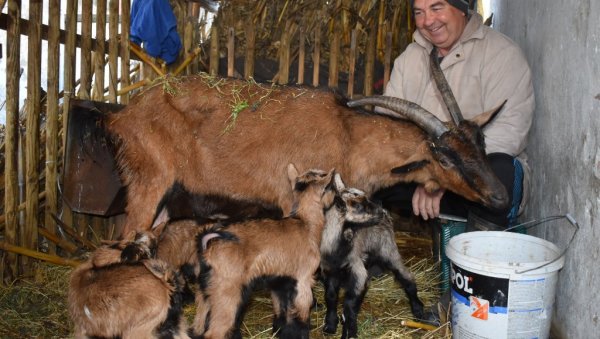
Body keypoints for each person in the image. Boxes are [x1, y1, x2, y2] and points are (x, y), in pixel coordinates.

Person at [375, 0, 535, 231]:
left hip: (475, 179)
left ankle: (477, 260)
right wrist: (428, 175)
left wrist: (446, 177)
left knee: (503, 170)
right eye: (419, 12)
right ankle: (367, 256)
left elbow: (510, 130)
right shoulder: (410, 58)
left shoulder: (501, 54)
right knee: (367, 169)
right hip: (422, 174)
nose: (428, 21)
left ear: (461, 8)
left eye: (437, 8)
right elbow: (386, 126)